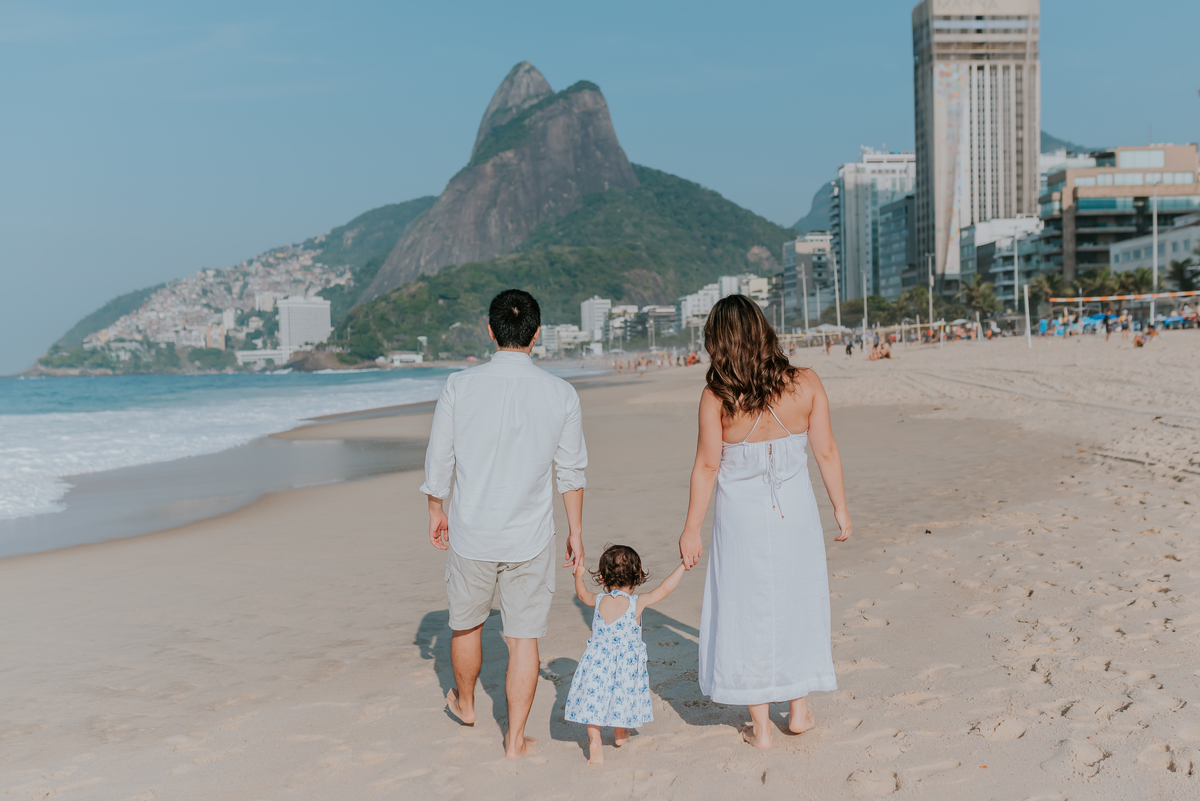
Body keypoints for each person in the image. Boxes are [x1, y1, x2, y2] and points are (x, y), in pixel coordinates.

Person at [679, 295, 851, 750]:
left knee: (743, 609)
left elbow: (706, 467)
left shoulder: (717, 397)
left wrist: (691, 528)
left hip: (742, 521)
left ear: (719, 342)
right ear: (763, 330)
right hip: (795, 513)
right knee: (797, 600)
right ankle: (797, 712)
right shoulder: (806, 383)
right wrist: (840, 507)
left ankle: (759, 727)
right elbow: (826, 451)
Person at [422, 288, 588, 760]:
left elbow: (440, 458)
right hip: (531, 535)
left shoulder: (459, 385)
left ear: (491, 330)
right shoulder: (561, 393)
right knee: (523, 638)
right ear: (536, 334)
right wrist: (575, 531)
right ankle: (515, 739)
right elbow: (571, 471)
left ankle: (468, 704)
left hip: (472, 529)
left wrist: (436, 509)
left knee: (467, 625)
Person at [564, 545, 686, 764]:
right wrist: (683, 566)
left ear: (602, 576)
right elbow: (664, 589)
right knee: (621, 696)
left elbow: (581, 594)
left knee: (594, 699)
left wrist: (579, 575)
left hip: (597, 662)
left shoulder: (598, 599)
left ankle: (595, 741)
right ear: (638, 575)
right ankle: (620, 734)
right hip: (626, 667)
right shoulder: (637, 603)